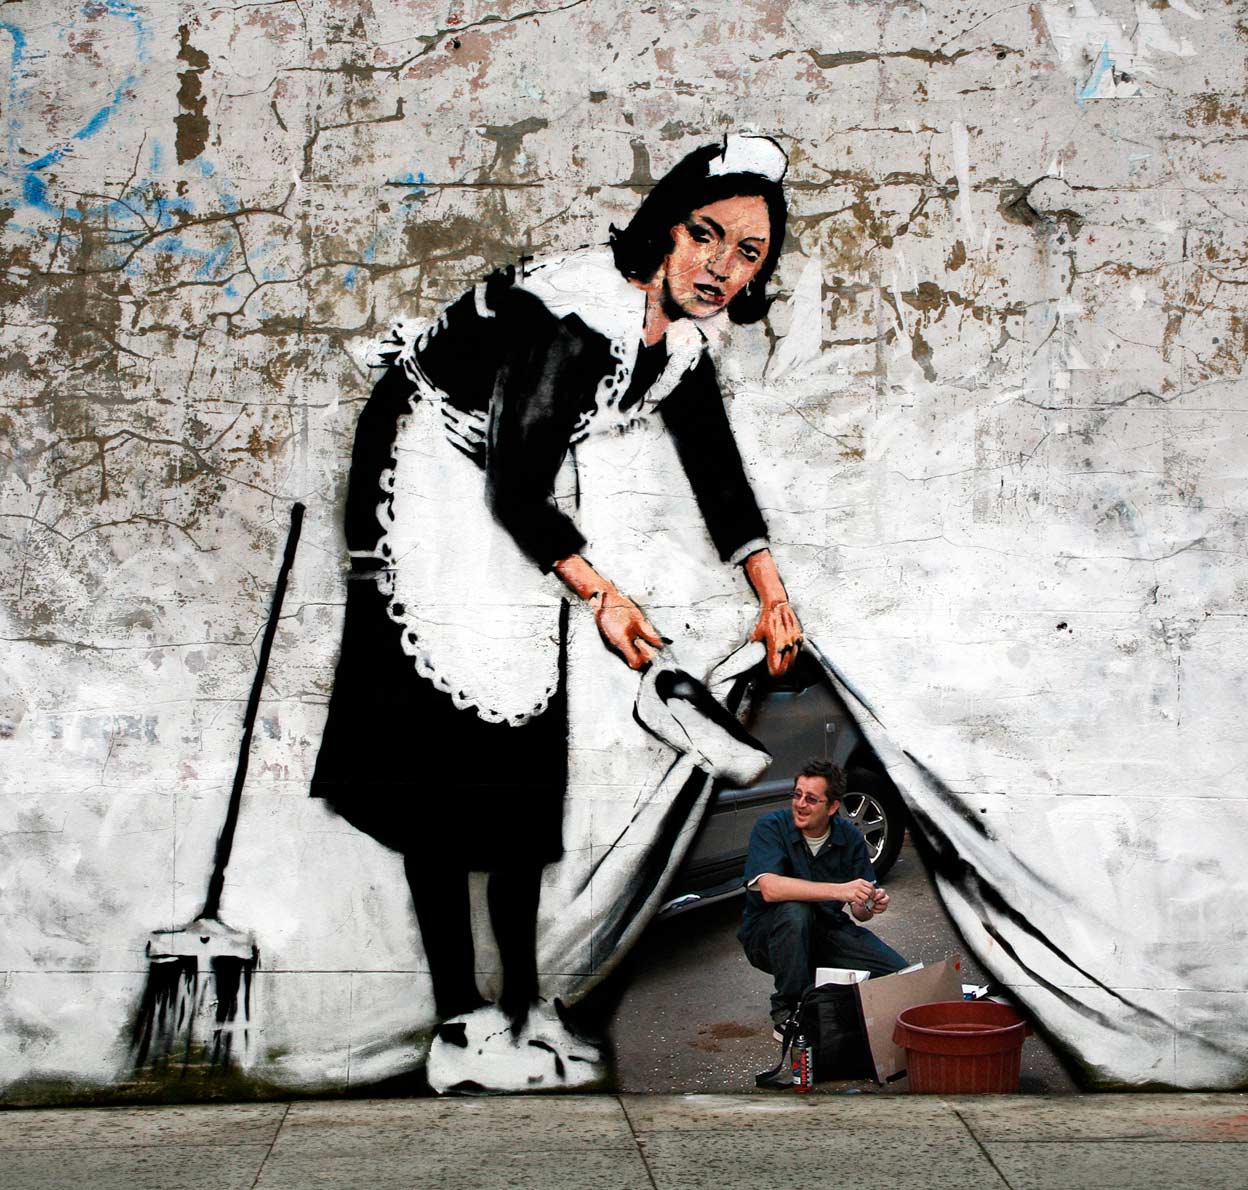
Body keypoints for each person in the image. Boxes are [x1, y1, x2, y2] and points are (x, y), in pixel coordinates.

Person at [310, 134, 804, 1075]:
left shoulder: (681, 337)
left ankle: (524, 1006)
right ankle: (460, 1023)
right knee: (446, 750)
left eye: (748, 252)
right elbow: (513, 490)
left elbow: (717, 472)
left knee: (522, 741)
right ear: (666, 228)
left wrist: (772, 595)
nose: (720, 266)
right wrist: (603, 596)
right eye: (705, 234)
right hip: (426, 470)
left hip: (510, 481)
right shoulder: (575, 315)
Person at [739, 759, 908, 1032]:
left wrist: (870, 903)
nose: (800, 804)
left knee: (900, 975)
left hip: (827, 930)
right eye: (797, 794)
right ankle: (789, 1010)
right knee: (796, 911)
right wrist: (840, 890)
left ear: (832, 807)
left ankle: (828, 993)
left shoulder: (850, 837)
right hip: (769, 937)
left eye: (811, 799)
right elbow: (770, 889)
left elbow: (860, 913)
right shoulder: (771, 826)